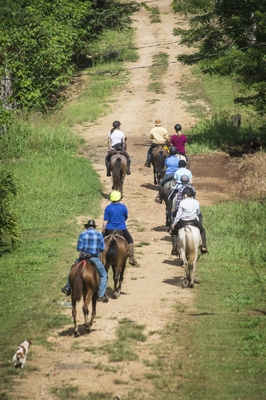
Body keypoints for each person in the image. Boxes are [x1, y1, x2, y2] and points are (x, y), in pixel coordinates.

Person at [61, 220, 108, 302]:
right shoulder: (99, 234)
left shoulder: (82, 234)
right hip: (94, 258)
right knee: (103, 275)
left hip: (83, 258)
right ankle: (101, 295)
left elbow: (79, 248)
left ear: (87, 227)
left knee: (72, 269)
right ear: (94, 227)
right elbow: (102, 248)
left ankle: (68, 288)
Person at [102, 190, 137, 265]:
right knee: (130, 240)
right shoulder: (123, 207)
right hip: (121, 228)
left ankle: (98, 256)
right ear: (119, 198)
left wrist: (103, 230)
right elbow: (125, 217)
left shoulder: (108, 208)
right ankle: (131, 256)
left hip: (109, 228)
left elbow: (105, 221)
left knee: (101, 241)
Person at [171, 187, 207, 254]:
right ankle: (204, 246)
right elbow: (198, 212)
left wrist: (174, 224)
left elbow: (179, 215)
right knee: (202, 231)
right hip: (194, 221)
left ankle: (174, 248)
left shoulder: (182, 202)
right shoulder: (196, 202)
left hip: (183, 221)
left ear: (185, 194)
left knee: (174, 233)